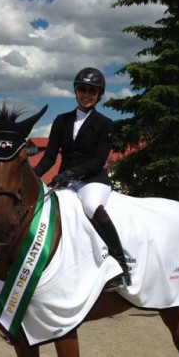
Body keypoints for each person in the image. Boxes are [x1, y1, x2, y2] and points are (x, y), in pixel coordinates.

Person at [34, 67, 131, 291]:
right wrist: (30, 176)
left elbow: (98, 160)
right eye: (82, 89)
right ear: (76, 91)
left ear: (99, 95)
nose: (86, 94)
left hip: (93, 180)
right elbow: (49, 157)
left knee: (90, 206)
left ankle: (121, 265)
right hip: (66, 181)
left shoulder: (105, 124)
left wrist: (71, 173)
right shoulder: (61, 121)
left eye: (92, 91)